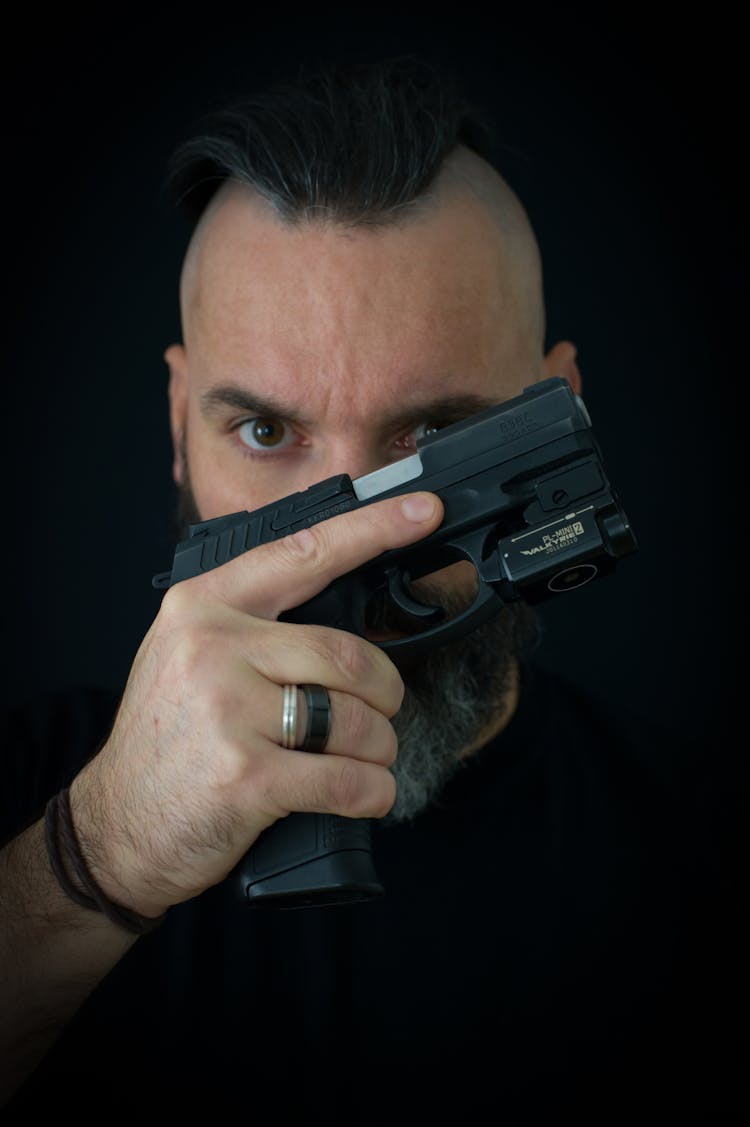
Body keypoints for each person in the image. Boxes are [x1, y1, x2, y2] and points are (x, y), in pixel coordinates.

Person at [0, 57, 743, 1122]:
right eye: (265, 432)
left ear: (561, 412)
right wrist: (98, 854)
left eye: (435, 435)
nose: (343, 538)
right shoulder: (22, 800)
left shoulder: (707, 852)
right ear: (178, 425)